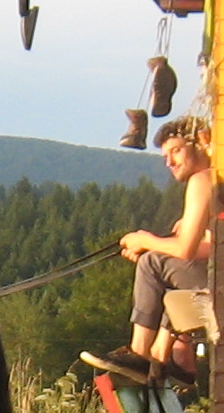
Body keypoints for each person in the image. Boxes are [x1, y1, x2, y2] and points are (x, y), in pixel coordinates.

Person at [81, 118, 216, 386]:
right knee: (161, 263)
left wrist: (145, 241)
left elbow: (186, 250)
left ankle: (140, 354)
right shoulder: (221, 178)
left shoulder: (203, 179)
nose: (169, 161)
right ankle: (172, 358)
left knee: (153, 264)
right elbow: (212, 248)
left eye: (176, 150)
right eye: (165, 155)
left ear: (201, 141)